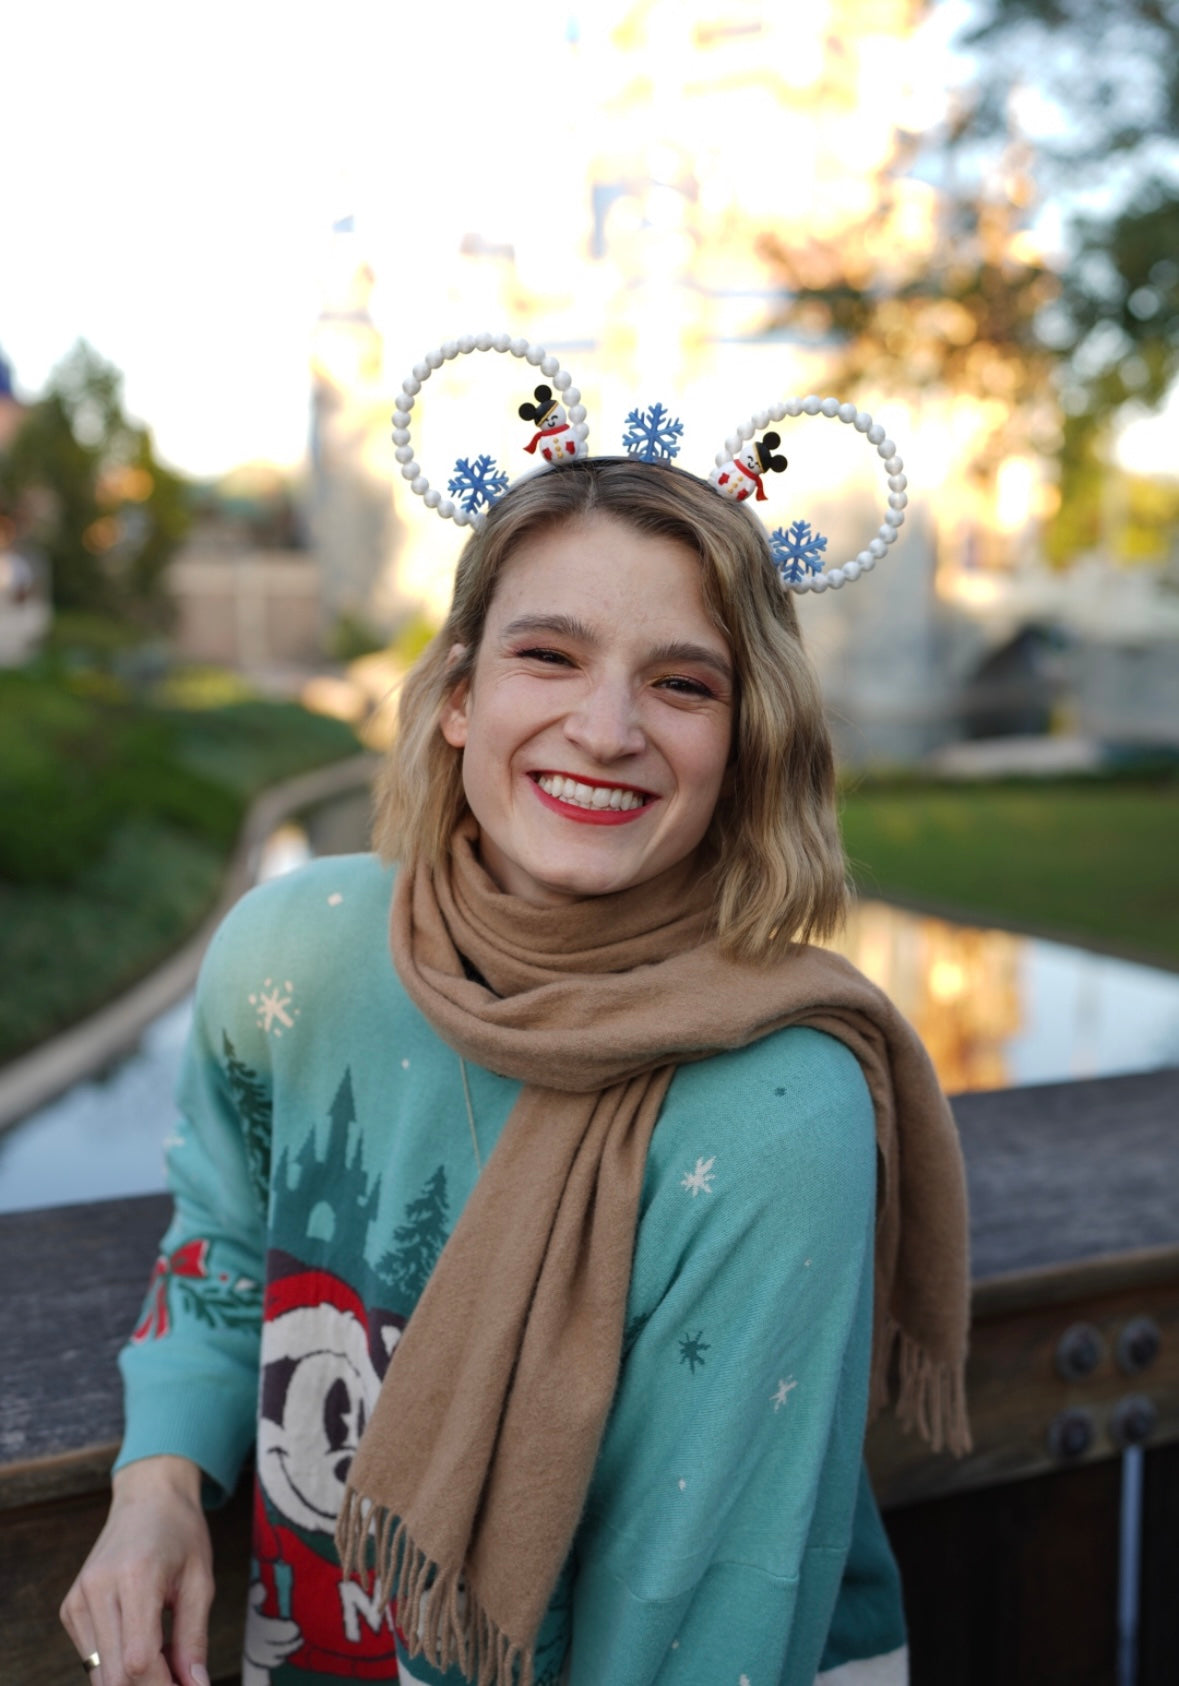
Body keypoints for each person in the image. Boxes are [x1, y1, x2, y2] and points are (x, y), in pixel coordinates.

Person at [62, 452, 970, 1686]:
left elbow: (693, 1622)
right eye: (549, 656)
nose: (606, 729)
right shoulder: (299, 956)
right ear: (456, 694)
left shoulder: (778, 1109)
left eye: (682, 682)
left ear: (746, 740)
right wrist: (160, 1480)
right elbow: (229, 1237)